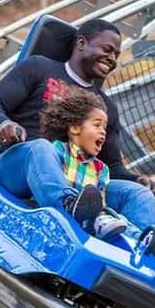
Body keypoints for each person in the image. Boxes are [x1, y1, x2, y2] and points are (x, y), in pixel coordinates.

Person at [0, 18, 155, 269]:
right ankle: (68, 206)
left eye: (117, 55)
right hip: (14, 171)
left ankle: (152, 251)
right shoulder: (39, 68)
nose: (113, 59)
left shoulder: (105, 107)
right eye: (107, 50)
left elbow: (112, 165)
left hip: (76, 180)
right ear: (82, 43)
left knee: (136, 194)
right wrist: (3, 125)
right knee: (41, 147)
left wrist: (135, 179)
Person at [39, 85, 129, 240]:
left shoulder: (101, 169)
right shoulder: (58, 150)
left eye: (105, 128)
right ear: (74, 128)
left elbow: (100, 200)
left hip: (85, 223)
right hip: (56, 213)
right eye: (97, 125)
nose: (103, 131)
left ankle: (146, 241)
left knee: (122, 222)